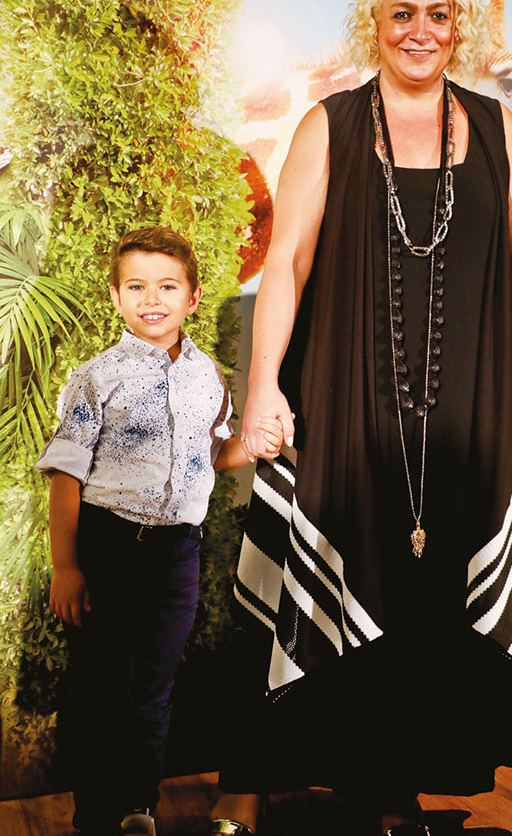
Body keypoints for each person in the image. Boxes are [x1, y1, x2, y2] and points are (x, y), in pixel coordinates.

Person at [211, 0, 512, 836]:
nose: (419, 30)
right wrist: (264, 385)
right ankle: (243, 786)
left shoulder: (495, 127)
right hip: (343, 397)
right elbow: (286, 262)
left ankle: (391, 793)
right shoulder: (329, 125)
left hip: (462, 411)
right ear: (375, 22)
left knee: (423, 609)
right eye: (402, 13)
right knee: (300, 574)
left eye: (438, 14)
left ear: (459, 25)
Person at [36, 226, 283, 836]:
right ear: (116, 296)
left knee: (154, 685)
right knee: (102, 686)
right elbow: (65, 476)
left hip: (177, 554)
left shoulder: (208, 377)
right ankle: (94, 814)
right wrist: (67, 566)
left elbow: (212, 455)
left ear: (192, 297)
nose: (153, 299)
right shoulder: (97, 378)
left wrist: (254, 445)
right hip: (108, 546)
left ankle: (137, 805)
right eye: (137, 286)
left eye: (167, 287)